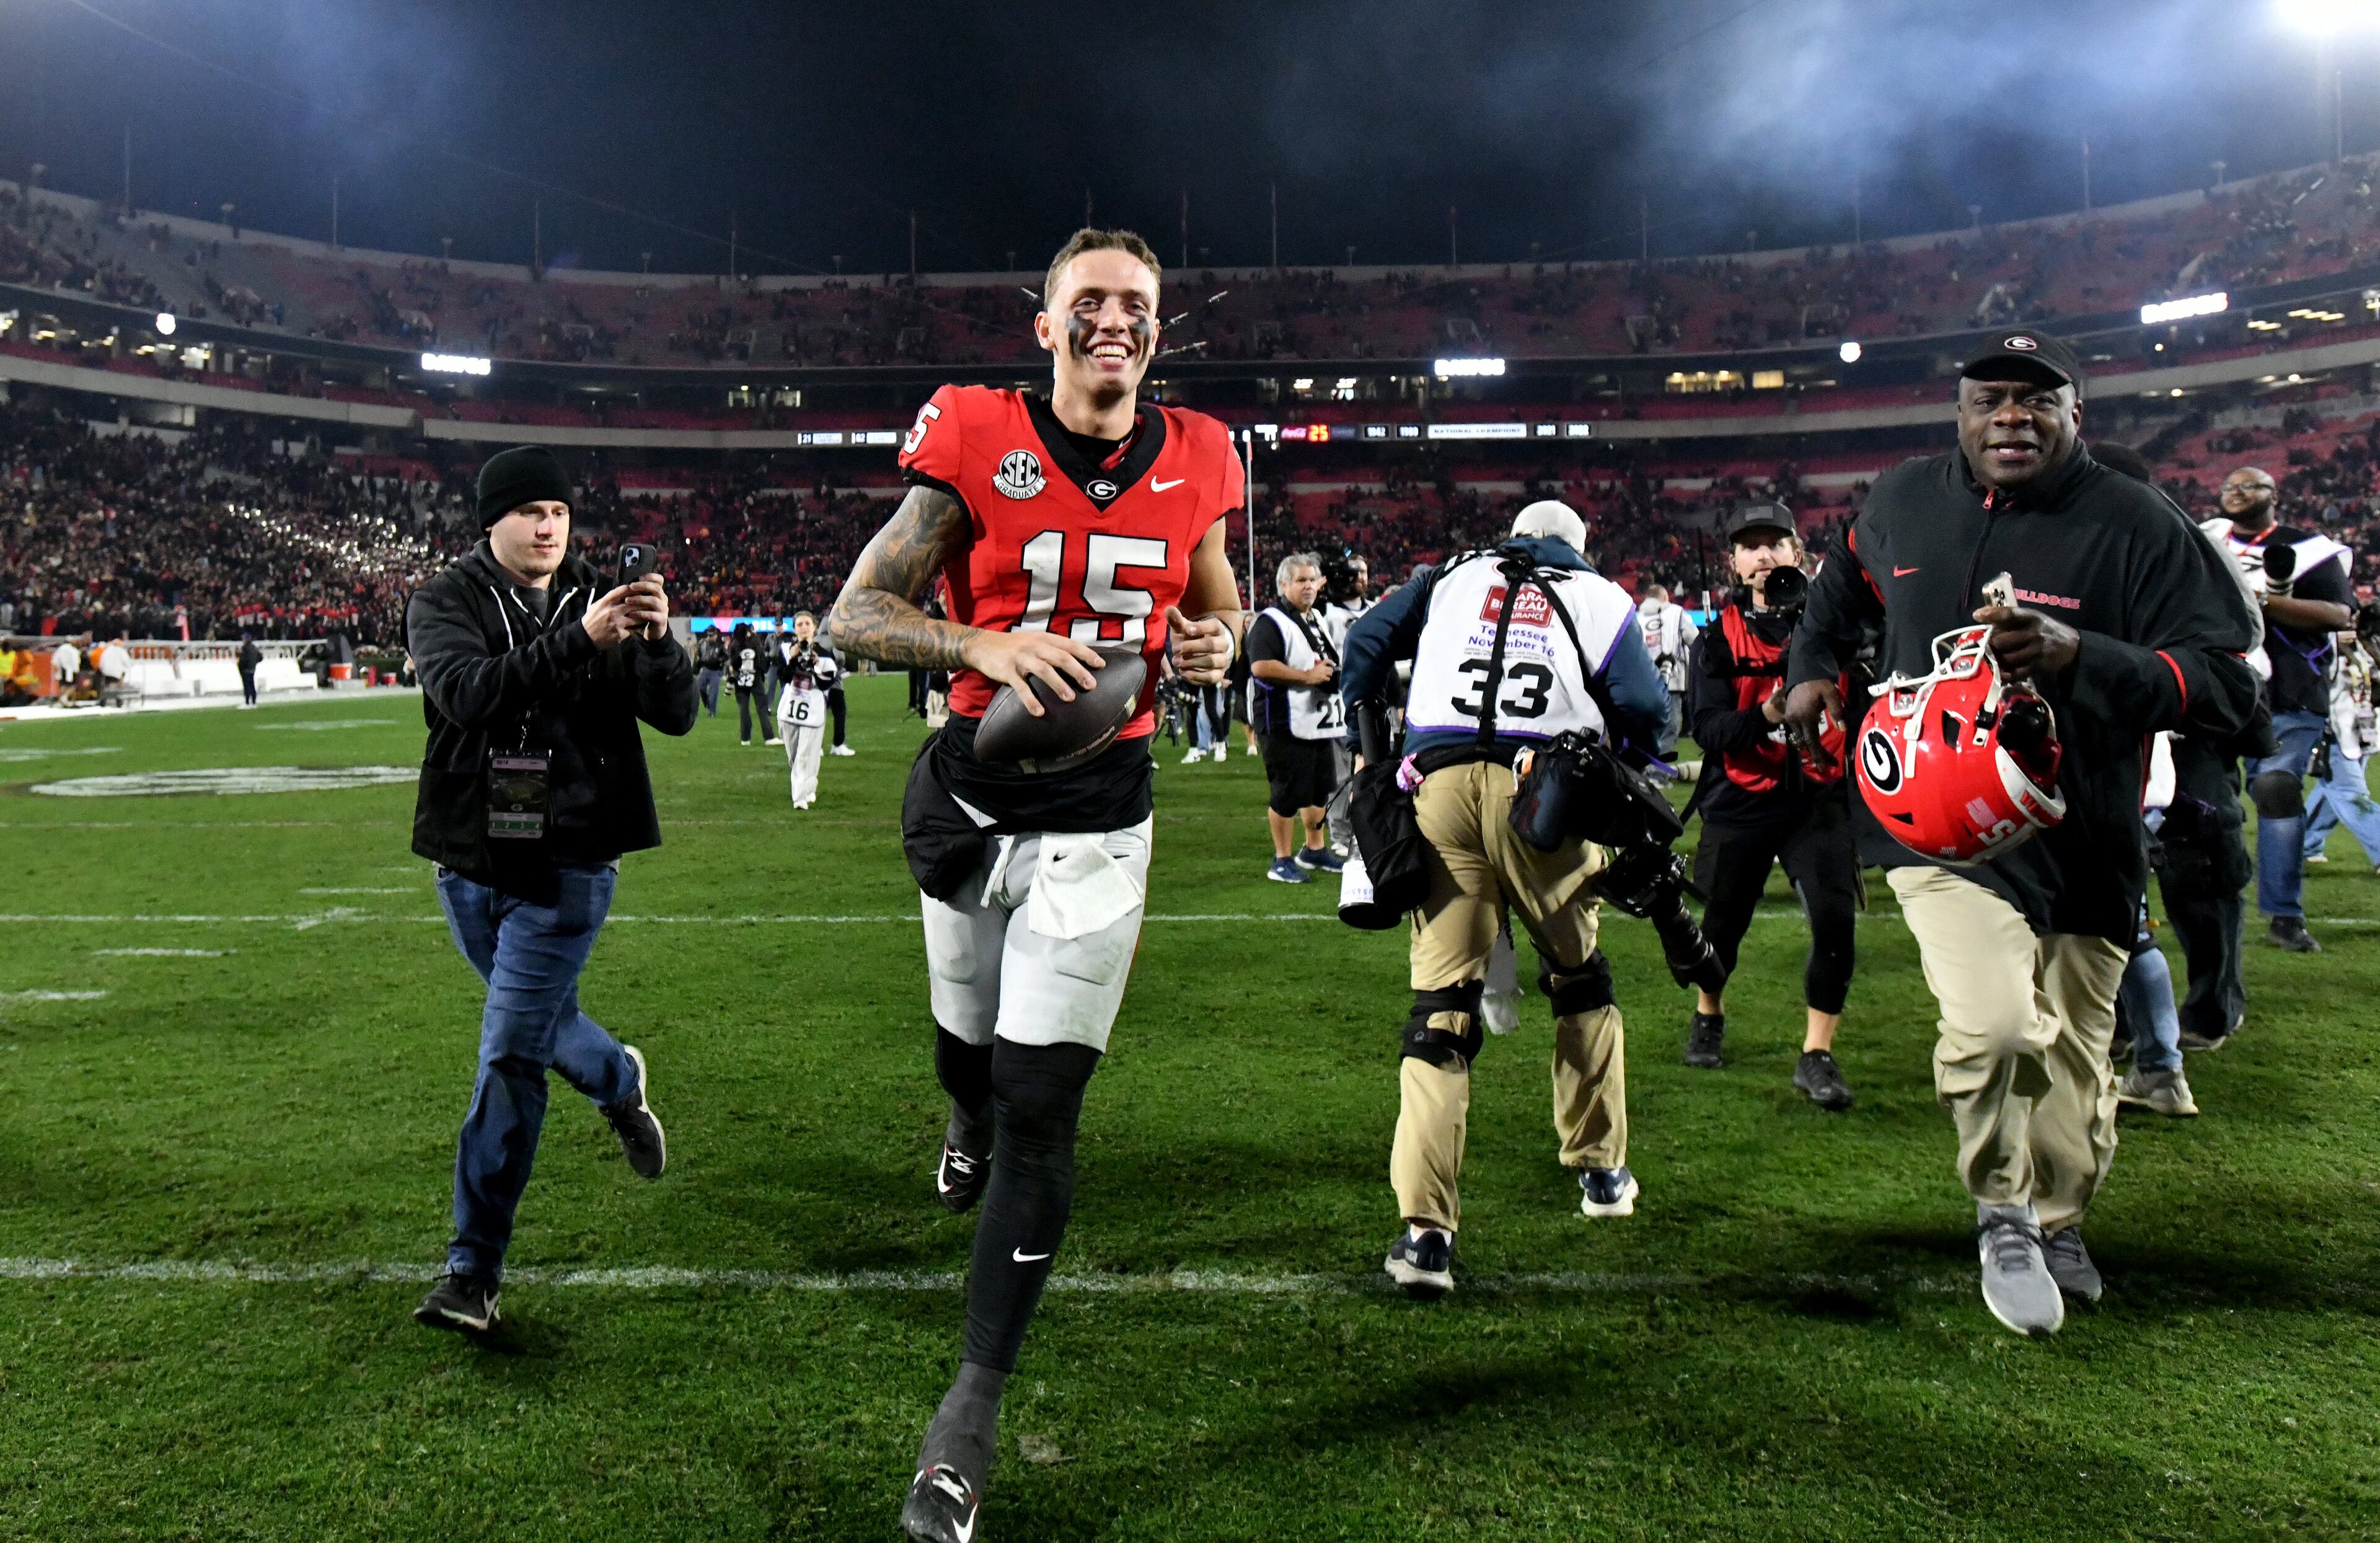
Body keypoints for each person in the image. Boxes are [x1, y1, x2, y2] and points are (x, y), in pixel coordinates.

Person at [829, 227, 1245, 1543]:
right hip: (969, 798)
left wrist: (1216, 637)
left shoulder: (1208, 453)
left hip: (1103, 816)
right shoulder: (971, 432)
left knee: (1041, 1101)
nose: (1112, 320)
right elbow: (854, 612)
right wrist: (979, 638)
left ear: (1158, 330)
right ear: (1045, 324)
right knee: (965, 1052)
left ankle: (969, 1405)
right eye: (1089, 302)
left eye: (1136, 304)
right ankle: (958, 1119)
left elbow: (1216, 605)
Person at [1783, 331, 2258, 1338]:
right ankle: (2002, 1206)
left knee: (2082, 1064)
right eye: (1992, 398)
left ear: (2075, 414)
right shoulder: (1903, 498)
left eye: (2038, 400)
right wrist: (1811, 673)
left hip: (2086, 829)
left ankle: (2059, 1213)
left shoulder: (2136, 521)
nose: (2013, 416)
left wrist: (2082, 653)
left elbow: (2225, 681)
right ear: (1958, 411)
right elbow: (1833, 606)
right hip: (1940, 828)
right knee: (1998, 1023)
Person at [402, 444, 697, 1335]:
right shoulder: (444, 600)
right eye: (530, 511)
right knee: (535, 1025)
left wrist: (658, 645)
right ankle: (616, 1076)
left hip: (570, 864)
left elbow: (677, 717)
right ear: (489, 521)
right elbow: (464, 694)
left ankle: (472, 1270)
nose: (547, 527)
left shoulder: (600, 598)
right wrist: (580, 641)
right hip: (474, 861)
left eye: (560, 513)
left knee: (510, 1053)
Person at [1342, 498, 1669, 1298]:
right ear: (1578, 545)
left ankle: (1424, 1234)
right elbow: (1649, 710)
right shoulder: (1602, 596)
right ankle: (1600, 1171)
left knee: (1439, 1011)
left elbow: (1363, 642)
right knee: (1581, 979)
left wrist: (1374, 743)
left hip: (1440, 786)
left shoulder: (1450, 573)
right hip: (1545, 793)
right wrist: (1610, 765)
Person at [1680, 502, 1860, 1110]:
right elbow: (1705, 730)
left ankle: (1817, 1052)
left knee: (1836, 922)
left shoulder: (1835, 625)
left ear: (1797, 552)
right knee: (1720, 931)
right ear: (1733, 561)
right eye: (1750, 546)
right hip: (1742, 797)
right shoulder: (1715, 637)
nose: (1764, 556)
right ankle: (1709, 1011)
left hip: (1819, 797)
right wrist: (1764, 716)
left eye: (1775, 544)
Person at [2203, 464, 2358, 952]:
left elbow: (2338, 614)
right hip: (2215, 684)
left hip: (2289, 689)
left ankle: (2284, 914)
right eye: (2230, 485)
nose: (2237, 491)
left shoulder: (2310, 548)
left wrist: (2260, 603)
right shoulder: (2205, 539)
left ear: (2274, 494)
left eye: (2249, 484)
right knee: (2199, 801)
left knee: (2275, 786)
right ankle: (2204, 903)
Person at [1248, 552, 1347, 883]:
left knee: (1320, 789)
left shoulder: (1315, 618)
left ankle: (1314, 850)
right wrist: (1307, 678)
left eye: (1312, 580)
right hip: (1282, 719)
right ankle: (1281, 859)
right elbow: (1261, 666)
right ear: (1284, 585)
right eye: (1300, 581)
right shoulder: (1270, 621)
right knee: (1287, 792)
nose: (1308, 587)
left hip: (1316, 719)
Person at [2301, 630, 2380, 872]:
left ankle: (2303, 844)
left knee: (2332, 791)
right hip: (2335, 729)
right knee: (2349, 792)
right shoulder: (2325, 638)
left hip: (2364, 729)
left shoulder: (2367, 640)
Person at [775, 611, 838, 809]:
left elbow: (827, 683)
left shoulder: (825, 652)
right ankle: (808, 786)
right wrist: (793, 659)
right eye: (800, 624)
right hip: (789, 709)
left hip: (813, 709)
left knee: (806, 754)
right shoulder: (786, 649)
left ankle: (800, 797)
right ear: (795, 628)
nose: (803, 627)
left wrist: (816, 664)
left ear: (815, 627)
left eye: (807, 624)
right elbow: (783, 679)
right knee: (794, 755)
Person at [1637, 581, 1700, 760]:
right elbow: (1694, 640)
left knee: (1649, 728)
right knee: (1669, 727)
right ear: (1664, 597)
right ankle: (1659, 774)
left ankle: (1645, 771)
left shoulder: (1637, 617)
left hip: (1645, 681)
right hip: (1672, 678)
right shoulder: (1676, 612)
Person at [729, 621, 769, 745]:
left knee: (744, 709)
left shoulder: (734, 645)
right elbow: (760, 659)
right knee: (761, 708)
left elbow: (733, 663)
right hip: (755, 678)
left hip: (740, 679)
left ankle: (745, 738)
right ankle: (769, 736)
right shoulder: (753, 644)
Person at [694, 626, 728, 718]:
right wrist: (697, 666)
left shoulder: (720, 644)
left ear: (716, 635)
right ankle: (708, 704)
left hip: (715, 671)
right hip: (704, 669)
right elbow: (698, 655)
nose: (711, 637)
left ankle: (711, 712)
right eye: (709, 635)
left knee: (714, 692)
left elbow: (726, 656)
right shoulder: (702, 643)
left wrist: (721, 660)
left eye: (712, 635)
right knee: (700, 688)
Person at [237, 632, 263, 708]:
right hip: (252, 669)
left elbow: (243, 660)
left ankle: (247, 702)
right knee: (252, 685)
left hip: (246, 669)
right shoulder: (254, 647)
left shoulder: (245, 648)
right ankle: (254, 702)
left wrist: (242, 667)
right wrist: (254, 663)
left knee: (247, 686)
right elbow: (260, 658)